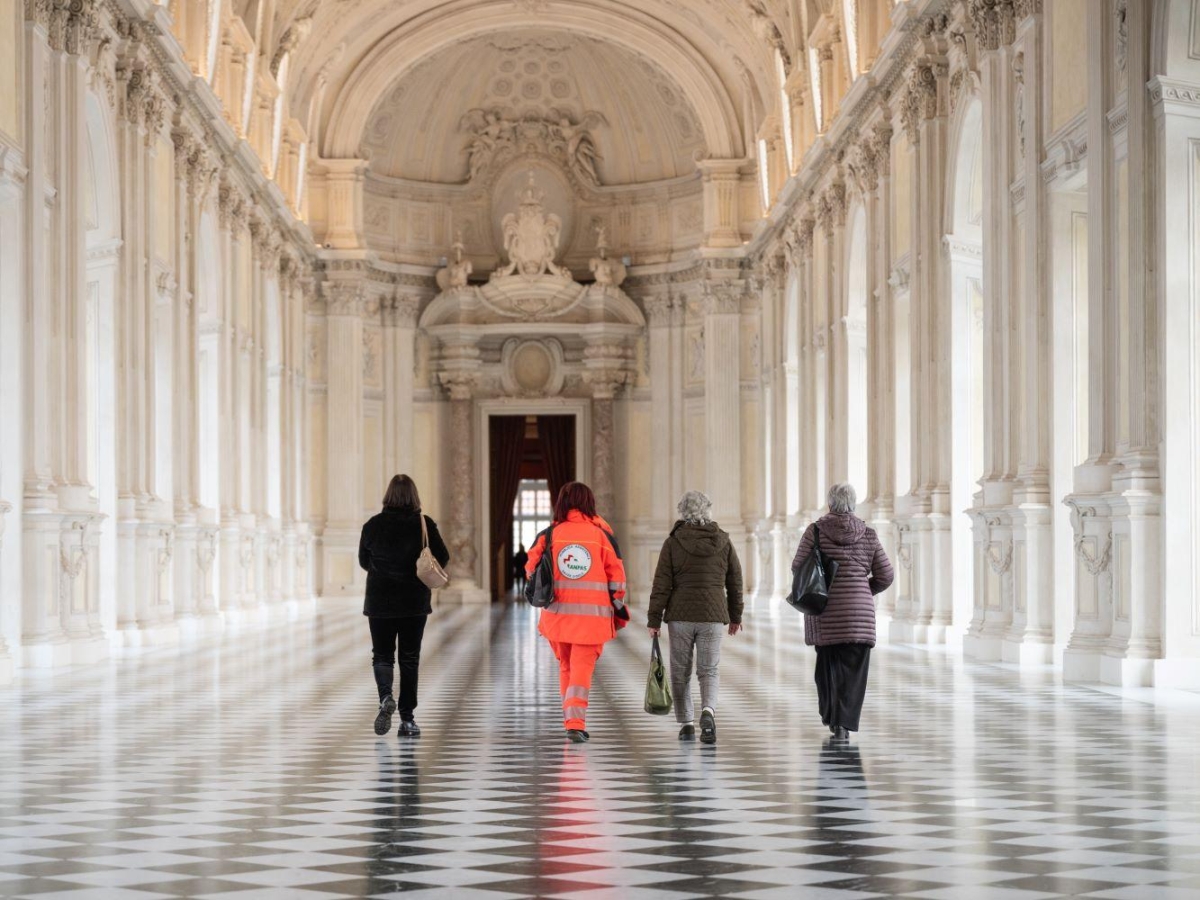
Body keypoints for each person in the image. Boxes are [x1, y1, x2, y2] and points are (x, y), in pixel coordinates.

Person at [525, 482, 628, 743]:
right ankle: (575, 723)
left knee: (566, 666)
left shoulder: (549, 535)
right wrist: (617, 606)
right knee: (581, 669)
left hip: (557, 616)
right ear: (589, 503)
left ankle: (570, 721)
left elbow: (531, 570)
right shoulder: (602, 536)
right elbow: (617, 580)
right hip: (592, 618)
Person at [791, 482, 893, 741]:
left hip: (826, 610)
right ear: (854, 504)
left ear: (829, 504)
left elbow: (798, 567)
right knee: (854, 673)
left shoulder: (815, 531)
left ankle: (830, 716)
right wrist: (864, 590)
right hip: (860, 614)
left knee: (827, 667)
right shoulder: (868, 534)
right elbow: (886, 575)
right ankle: (843, 723)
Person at [647, 490, 743, 744]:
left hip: (680, 616)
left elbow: (661, 584)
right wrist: (735, 615)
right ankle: (708, 711)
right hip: (713, 617)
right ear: (708, 510)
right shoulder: (723, 541)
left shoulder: (673, 542)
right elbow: (735, 582)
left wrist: (654, 619)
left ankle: (687, 724)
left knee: (680, 672)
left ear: (682, 511)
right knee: (709, 670)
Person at [358, 474, 450, 738]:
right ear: (414, 496)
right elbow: (443, 557)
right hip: (414, 602)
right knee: (409, 658)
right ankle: (407, 720)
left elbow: (364, 561)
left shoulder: (372, 525)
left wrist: (384, 569)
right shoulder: (424, 524)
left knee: (382, 655)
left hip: (379, 602)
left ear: (388, 495)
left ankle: (385, 697)